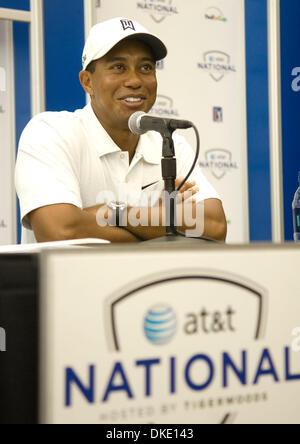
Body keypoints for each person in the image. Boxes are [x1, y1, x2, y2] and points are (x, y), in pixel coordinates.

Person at [15, 17, 227, 244]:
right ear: (87, 82)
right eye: (118, 67)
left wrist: (113, 213)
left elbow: (214, 227)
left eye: (145, 67)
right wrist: (157, 222)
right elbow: (61, 231)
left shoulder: (170, 143)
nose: (135, 80)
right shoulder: (51, 133)